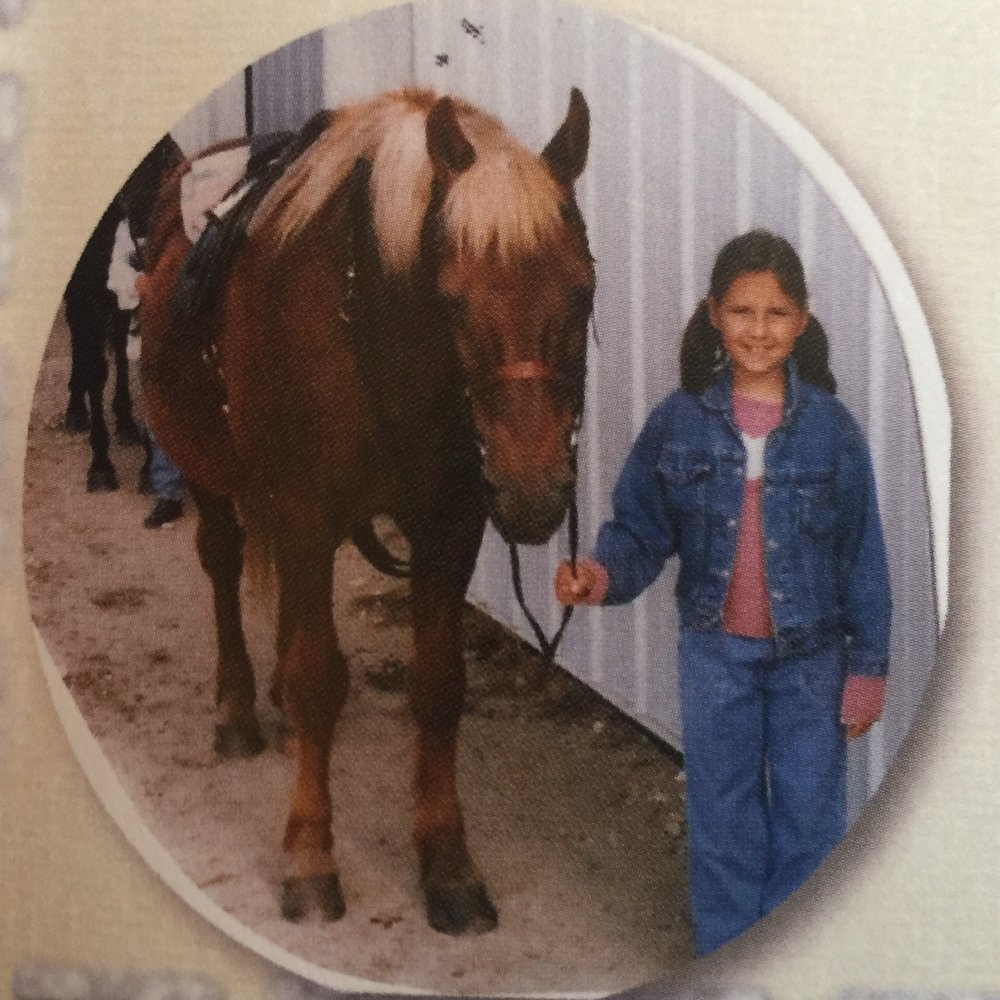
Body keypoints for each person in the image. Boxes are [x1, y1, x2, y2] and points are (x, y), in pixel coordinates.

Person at [554, 230, 891, 956]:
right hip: (715, 657)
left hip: (812, 663)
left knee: (810, 814)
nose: (758, 330)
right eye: (742, 311)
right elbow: (640, 531)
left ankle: (797, 958)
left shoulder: (832, 432)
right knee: (723, 813)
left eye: (776, 314)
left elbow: (864, 556)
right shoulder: (679, 423)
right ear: (714, 313)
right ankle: (731, 956)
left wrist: (868, 669)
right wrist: (599, 574)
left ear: (801, 321)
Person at [107, 218, 185, 528]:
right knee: (159, 409)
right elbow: (117, 269)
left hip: (193, 323)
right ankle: (168, 492)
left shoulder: (199, 207)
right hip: (151, 327)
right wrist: (138, 282)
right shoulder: (131, 225)